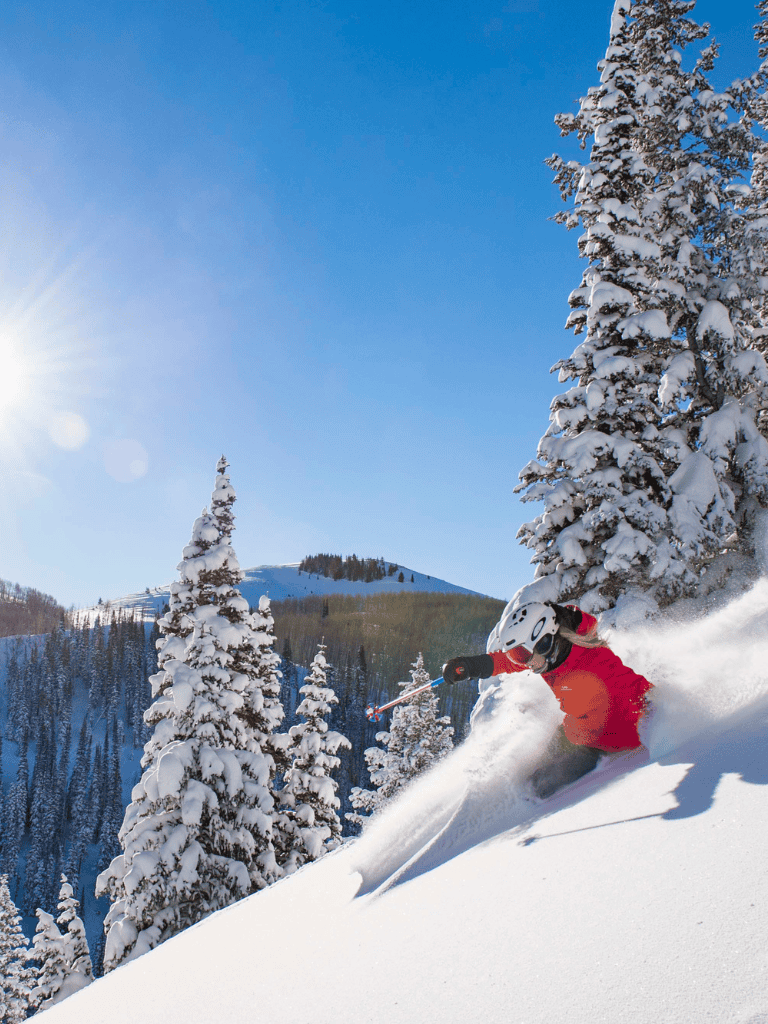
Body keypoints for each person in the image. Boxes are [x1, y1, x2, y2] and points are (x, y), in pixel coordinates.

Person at [442, 601, 654, 798]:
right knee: (534, 769)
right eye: (517, 655)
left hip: (602, 741)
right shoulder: (550, 655)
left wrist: (583, 755)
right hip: (579, 732)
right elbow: (506, 662)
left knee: (538, 789)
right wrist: (469, 666)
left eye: (521, 655)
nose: (523, 663)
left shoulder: (589, 659)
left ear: (543, 641)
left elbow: (626, 704)